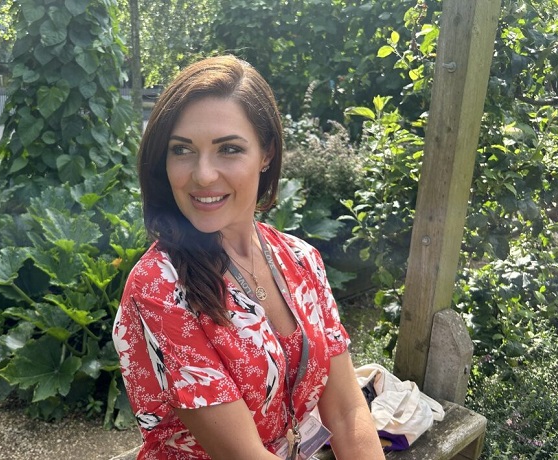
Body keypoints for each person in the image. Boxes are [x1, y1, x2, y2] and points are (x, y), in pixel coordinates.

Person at [112, 55, 384, 459]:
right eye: (182, 150)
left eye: (229, 149)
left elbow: (345, 411)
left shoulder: (301, 260)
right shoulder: (160, 287)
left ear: (267, 154)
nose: (203, 175)